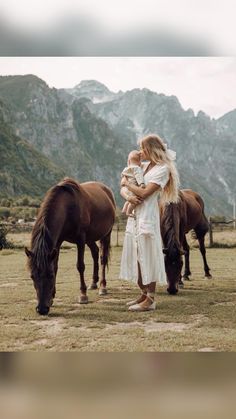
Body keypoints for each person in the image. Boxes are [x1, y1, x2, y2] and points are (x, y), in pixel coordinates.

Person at [119, 134, 179, 311]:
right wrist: (128, 195)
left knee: (148, 256)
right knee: (137, 257)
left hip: (147, 216)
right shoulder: (143, 167)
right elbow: (122, 186)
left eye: (142, 148)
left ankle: (151, 300)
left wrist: (128, 186)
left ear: (150, 149)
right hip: (134, 217)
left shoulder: (163, 169)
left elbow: (145, 194)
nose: (139, 152)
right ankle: (143, 294)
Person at [121, 150, 145, 217]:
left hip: (126, 189)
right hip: (133, 188)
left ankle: (124, 209)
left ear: (128, 161)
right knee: (134, 201)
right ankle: (129, 212)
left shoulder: (126, 169)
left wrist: (123, 183)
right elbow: (139, 176)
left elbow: (123, 177)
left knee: (128, 200)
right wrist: (141, 184)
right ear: (139, 161)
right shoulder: (137, 168)